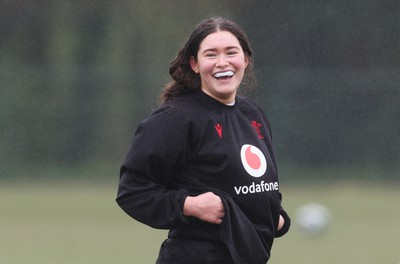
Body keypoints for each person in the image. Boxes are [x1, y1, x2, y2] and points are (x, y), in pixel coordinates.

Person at [116, 16, 290, 264]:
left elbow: (256, 182)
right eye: (211, 55)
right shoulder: (175, 119)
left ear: (246, 59)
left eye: (231, 52)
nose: (222, 62)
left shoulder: (253, 114)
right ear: (194, 64)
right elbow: (133, 192)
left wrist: (275, 216)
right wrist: (188, 205)